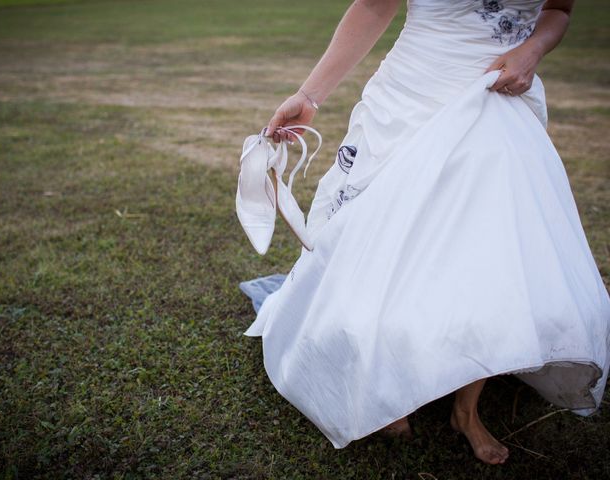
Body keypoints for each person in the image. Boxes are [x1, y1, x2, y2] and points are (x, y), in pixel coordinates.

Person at [241, 0, 610, 466]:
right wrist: (310, 96)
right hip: (412, 95)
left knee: (486, 253)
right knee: (383, 239)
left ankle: (466, 409)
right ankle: (388, 379)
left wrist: (533, 49)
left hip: (496, 102)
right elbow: (375, 7)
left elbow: (558, 9)